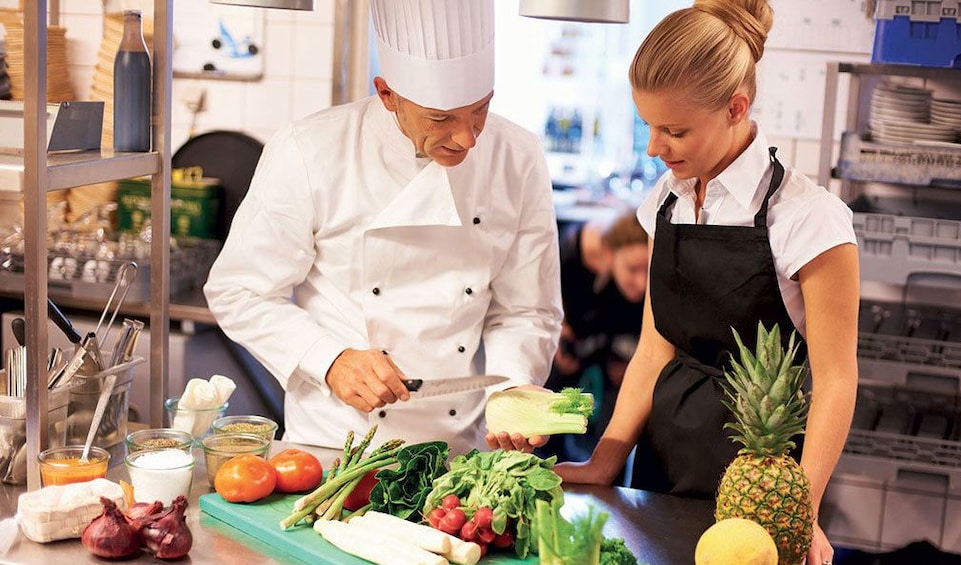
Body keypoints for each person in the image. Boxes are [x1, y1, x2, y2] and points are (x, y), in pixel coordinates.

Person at [553, 2, 859, 565]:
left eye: (674, 130)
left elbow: (836, 378)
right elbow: (653, 350)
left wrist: (802, 509)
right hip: (661, 463)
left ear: (735, 108)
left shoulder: (809, 219)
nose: (654, 148)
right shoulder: (664, 203)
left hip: (764, 476)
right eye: (648, 126)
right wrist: (605, 459)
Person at [204, 0, 562, 457]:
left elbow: (527, 310)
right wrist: (329, 359)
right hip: (335, 446)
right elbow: (239, 290)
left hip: (460, 451)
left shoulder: (519, 155)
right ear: (388, 94)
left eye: (480, 110)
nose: (468, 138)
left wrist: (511, 388)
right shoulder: (311, 150)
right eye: (441, 119)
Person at [544, 209, 647, 462]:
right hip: (570, 348)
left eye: (648, 269)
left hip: (613, 351)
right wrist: (555, 332)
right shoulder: (571, 255)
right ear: (610, 255)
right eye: (632, 269)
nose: (642, 283)